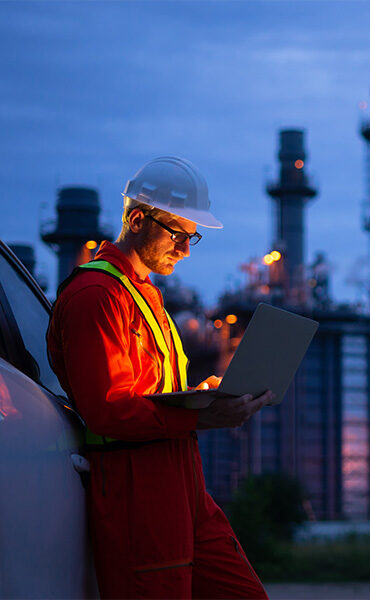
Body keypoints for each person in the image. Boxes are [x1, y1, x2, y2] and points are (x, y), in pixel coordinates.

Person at [47, 156, 271, 599]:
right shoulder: (97, 296)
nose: (186, 250)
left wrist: (204, 397)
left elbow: (158, 393)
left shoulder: (147, 297)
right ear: (135, 218)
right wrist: (202, 418)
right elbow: (108, 410)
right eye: (177, 234)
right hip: (138, 491)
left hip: (184, 483)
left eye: (194, 237)